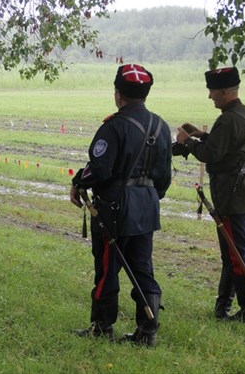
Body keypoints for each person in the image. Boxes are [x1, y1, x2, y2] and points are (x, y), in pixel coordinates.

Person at [69, 64, 172, 346]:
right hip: (147, 206)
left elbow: (100, 169)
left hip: (115, 207)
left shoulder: (113, 127)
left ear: (118, 94)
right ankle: (147, 331)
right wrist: (147, 198)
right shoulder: (161, 126)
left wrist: (78, 182)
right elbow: (164, 177)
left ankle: (102, 327)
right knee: (142, 266)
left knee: (107, 266)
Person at [173, 67, 245, 323]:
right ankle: (222, 306)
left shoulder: (227, 119)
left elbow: (211, 155)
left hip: (231, 194)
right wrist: (201, 135)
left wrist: (186, 141)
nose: (210, 96)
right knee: (231, 251)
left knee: (235, 252)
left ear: (225, 92)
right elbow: (233, 146)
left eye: (213, 91)